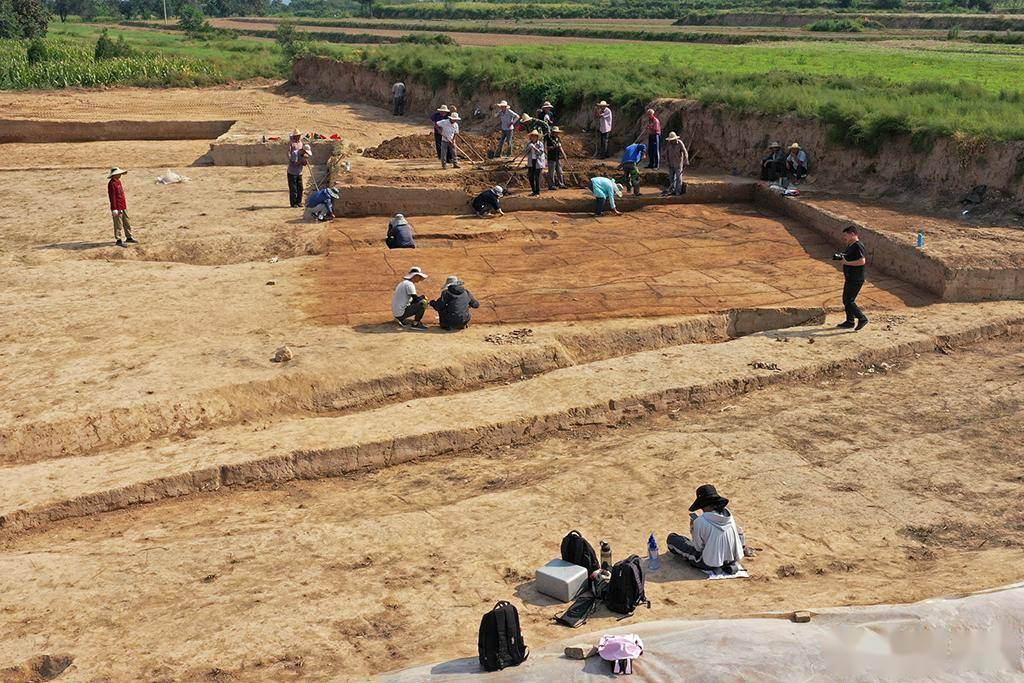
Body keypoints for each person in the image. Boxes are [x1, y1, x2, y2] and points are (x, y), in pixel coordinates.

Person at [667, 484, 747, 575]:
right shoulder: (728, 514)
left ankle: (718, 565)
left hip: (710, 563)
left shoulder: (700, 522)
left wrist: (693, 530)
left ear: (703, 505)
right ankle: (728, 564)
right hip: (733, 558)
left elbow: (698, 548)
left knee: (672, 539)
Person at [835, 225, 869, 331]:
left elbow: (862, 261)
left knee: (849, 300)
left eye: (846, 235)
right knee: (846, 300)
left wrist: (847, 262)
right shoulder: (851, 245)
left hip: (856, 278)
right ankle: (850, 321)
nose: (844, 237)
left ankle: (862, 318)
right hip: (850, 277)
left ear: (852, 234)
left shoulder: (858, 245)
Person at [107, 167, 137, 248]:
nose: (120, 175)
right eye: (118, 173)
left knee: (126, 222)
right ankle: (118, 240)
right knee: (118, 224)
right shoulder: (111, 184)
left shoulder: (118, 181)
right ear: (115, 174)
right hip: (117, 207)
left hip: (123, 205)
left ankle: (129, 237)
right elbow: (112, 197)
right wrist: (114, 209)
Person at [287, 130, 311, 208]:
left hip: (299, 172)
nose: (299, 137)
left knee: (300, 188)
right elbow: (294, 161)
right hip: (292, 172)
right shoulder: (292, 145)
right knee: (293, 189)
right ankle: (293, 203)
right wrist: (301, 162)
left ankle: (299, 202)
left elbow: (302, 155)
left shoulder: (301, 143)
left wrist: (304, 160)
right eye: (297, 135)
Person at [661, 132, 689, 196]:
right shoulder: (669, 144)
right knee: (671, 178)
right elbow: (666, 153)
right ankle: (672, 190)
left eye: (672, 140)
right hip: (671, 164)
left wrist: (686, 160)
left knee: (678, 178)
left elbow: (685, 152)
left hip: (678, 164)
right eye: (670, 140)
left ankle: (678, 191)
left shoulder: (680, 143)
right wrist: (665, 160)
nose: (671, 141)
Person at [524, 130, 547, 197]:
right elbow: (525, 152)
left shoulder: (540, 144)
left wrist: (534, 148)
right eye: (532, 136)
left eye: (535, 136)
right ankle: (533, 191)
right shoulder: (529, 144)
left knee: (536, 178)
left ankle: (537, 192)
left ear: (537, 137)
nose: (533, 137)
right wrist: (529, 147)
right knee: (530, 177)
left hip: (538, 162)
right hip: (531, 162)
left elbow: (540, 153)